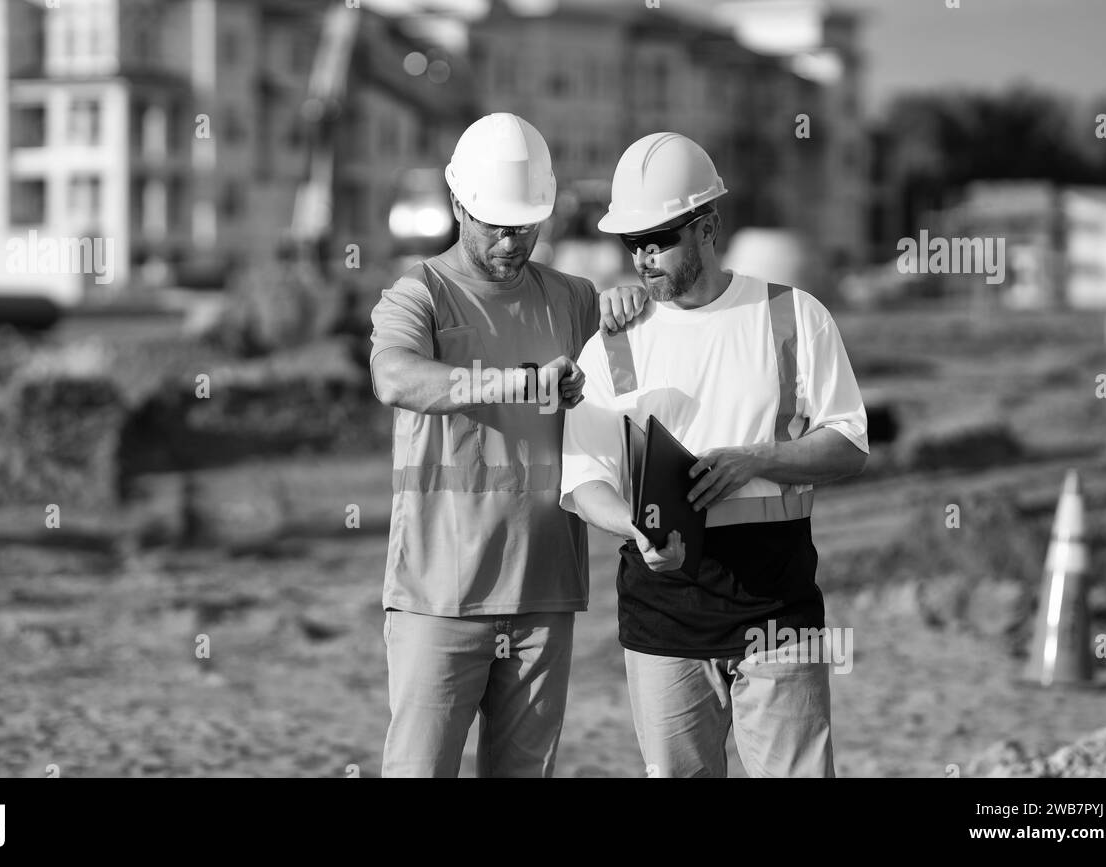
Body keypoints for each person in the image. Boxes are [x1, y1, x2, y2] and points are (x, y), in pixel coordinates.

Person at [559, 132, 869, 778]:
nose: (644, 257)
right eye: (633, 243)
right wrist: (633, 527)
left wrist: (757, 459)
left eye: (661, 238)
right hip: (662, 611)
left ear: (709, 227)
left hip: (777, 606)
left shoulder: (792, 317)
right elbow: (585, 476)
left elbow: (847, 444)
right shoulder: (614, 344)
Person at [369, 113, 645, 777]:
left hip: (544, 595)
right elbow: (394, 376)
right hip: (439, 598)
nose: (510, 238)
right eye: (494, 222)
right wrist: (520, 384)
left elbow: (635, 404)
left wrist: (637, 313)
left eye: (524, 223)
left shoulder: (575, 300)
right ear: (458, 203)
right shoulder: (420, 294)